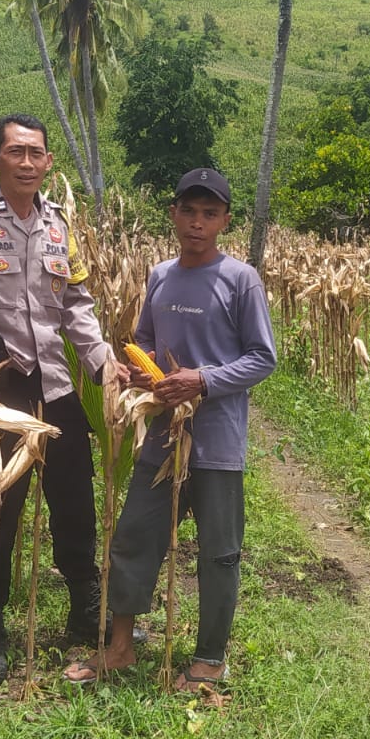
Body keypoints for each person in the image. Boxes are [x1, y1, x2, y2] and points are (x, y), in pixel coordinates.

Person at [0, 113, 126, 682]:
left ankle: (84, 611)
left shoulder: (60, 228)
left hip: (56, 384)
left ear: (48, 162)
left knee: (73, 500)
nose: (26, 162)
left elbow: (77, 306)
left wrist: (103, 363)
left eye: (36, 153)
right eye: (15, 152)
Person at [63, 167, 277, 691]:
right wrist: (144, 370)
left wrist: (202, 380)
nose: (196, 223)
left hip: (216, 439)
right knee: (134, 535)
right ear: (174, 214)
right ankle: (120, 646)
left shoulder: (240, 279)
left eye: (209, 213)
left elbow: (263, 359)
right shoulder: (160, 276)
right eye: (188, 211)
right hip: (161, 434)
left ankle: (209, 657)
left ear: (225, 220)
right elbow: (145, 340)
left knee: (219, 550)